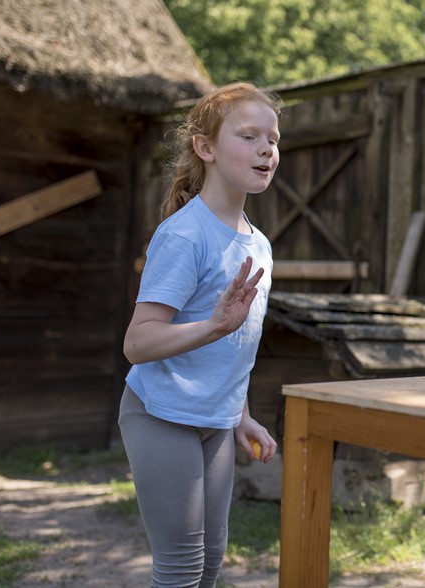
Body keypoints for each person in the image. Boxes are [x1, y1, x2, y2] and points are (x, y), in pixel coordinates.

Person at [119, 82, 281, 587]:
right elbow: (138, 343)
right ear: (205, 148)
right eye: (249, 136)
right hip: (161, 415)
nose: (266, 149)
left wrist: (241, 415)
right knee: (182, 566)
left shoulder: (260, 245)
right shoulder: (184, 235)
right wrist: (212, 325)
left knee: (210, 563)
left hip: (217, 421)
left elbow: (236, 347)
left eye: (273, 139)